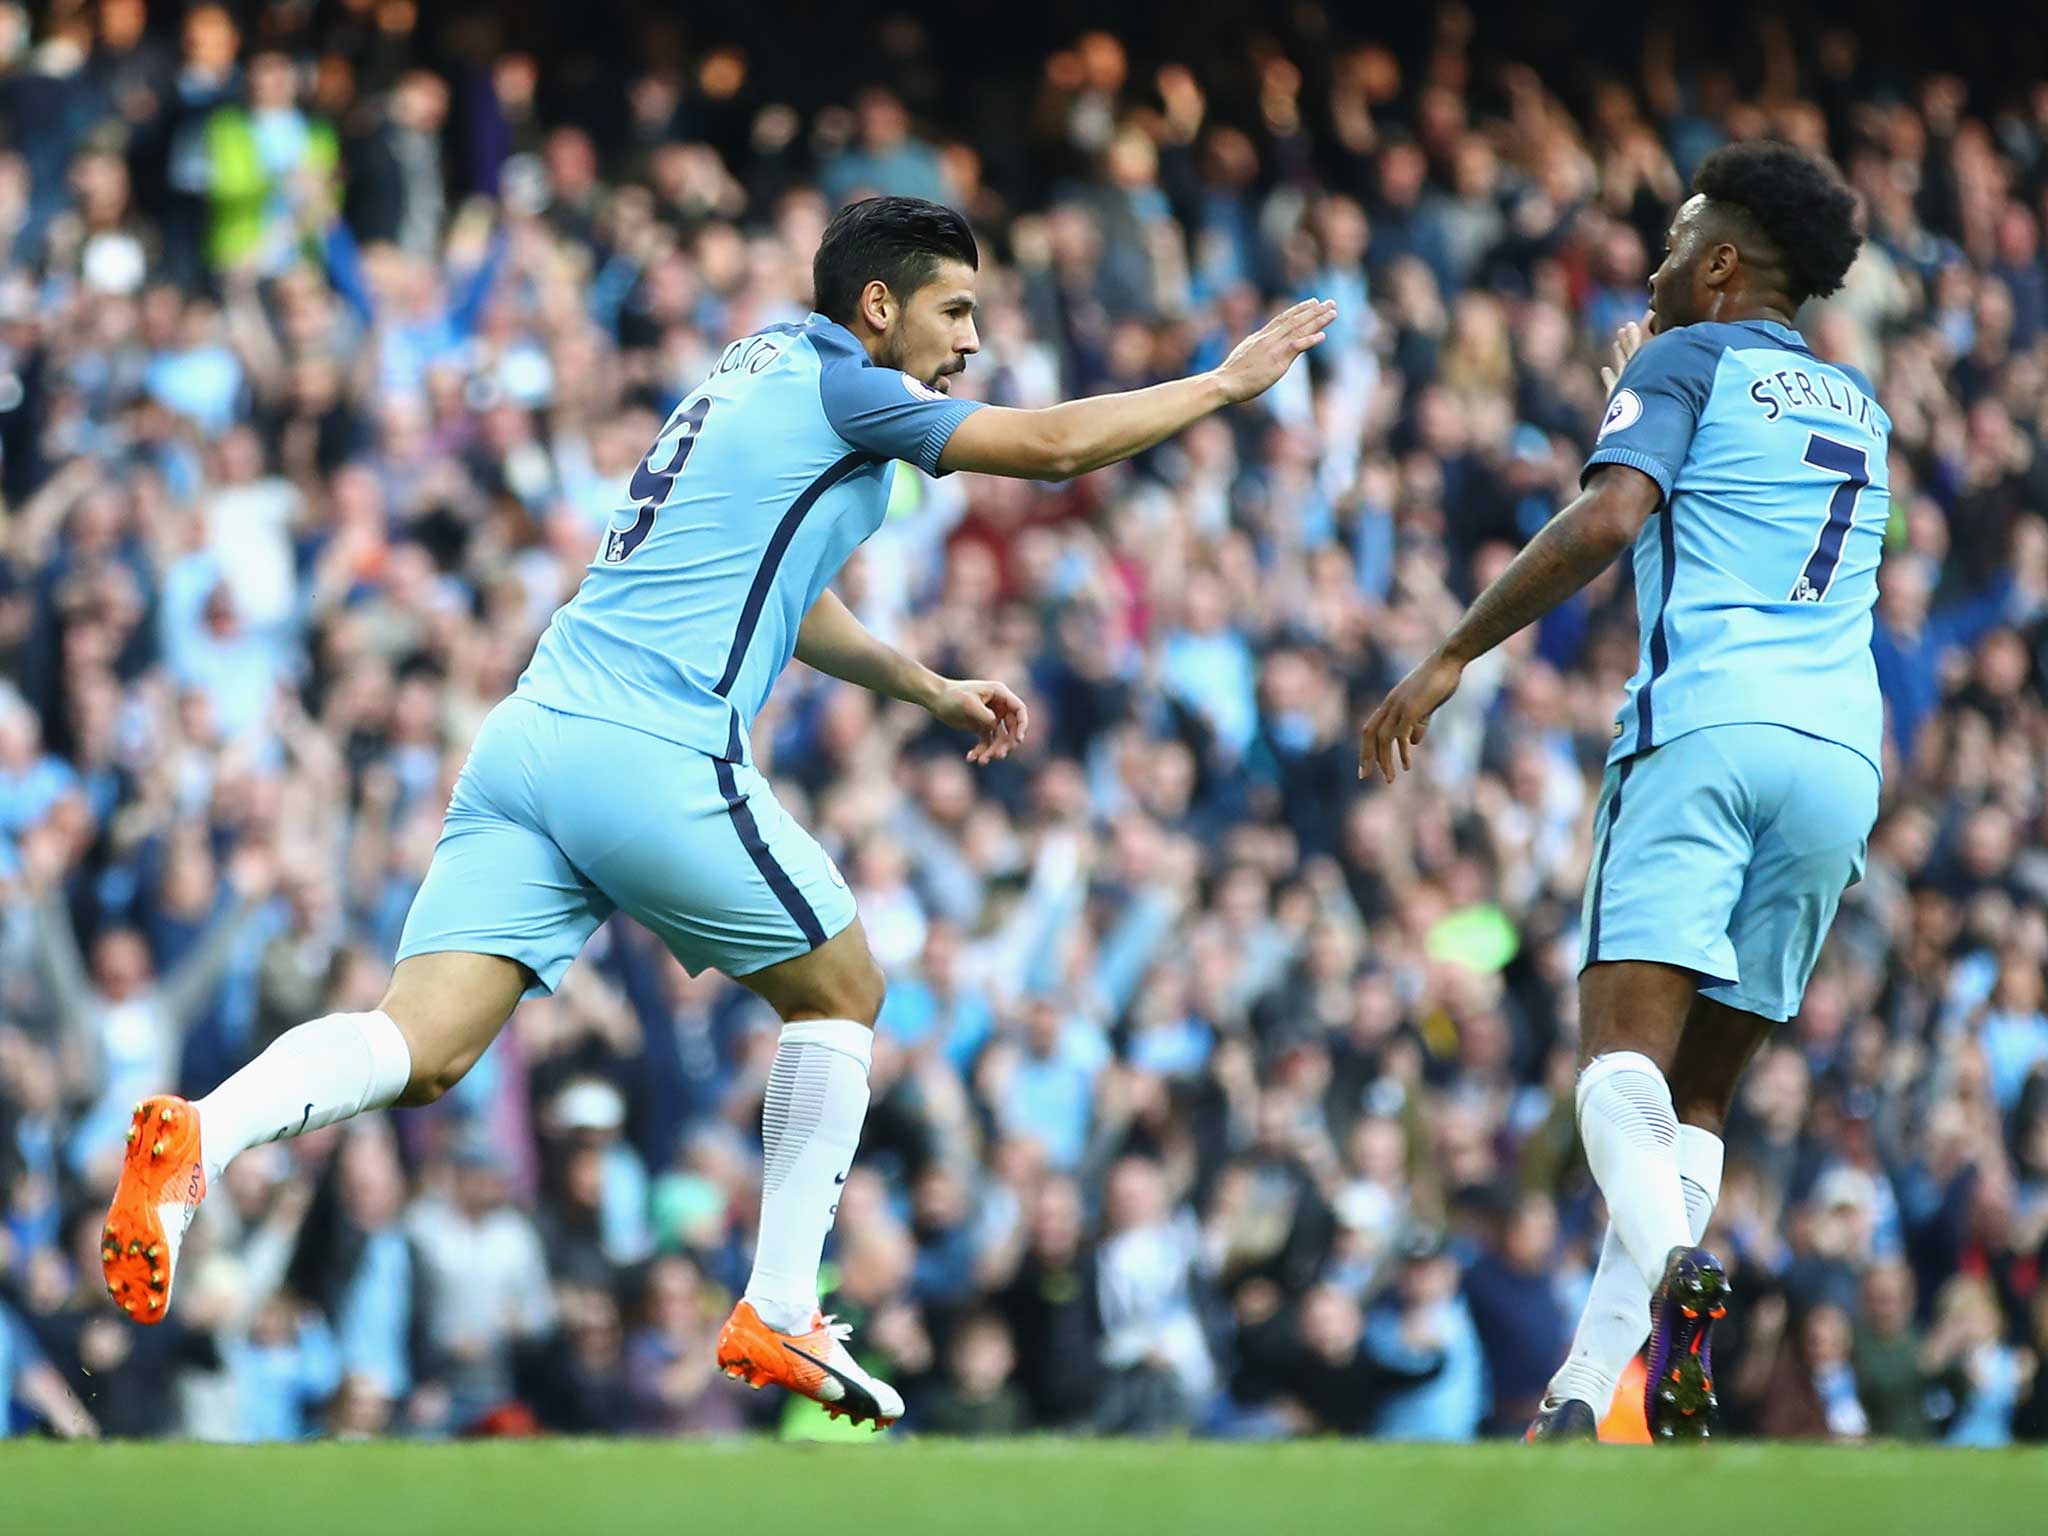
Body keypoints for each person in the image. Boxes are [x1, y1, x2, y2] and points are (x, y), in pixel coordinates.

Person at [100, 193, 1334, 1430]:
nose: (969, 342)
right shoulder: (855, 387)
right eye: (955, 312)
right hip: (649, 745)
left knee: (421, 1049)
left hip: (533, 738)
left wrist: (922, 684)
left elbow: (782, 589)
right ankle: (782, 1303)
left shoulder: (757, 365)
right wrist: (1222, 386)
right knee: (843, 991)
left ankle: (199, 1136)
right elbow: (1054, 447)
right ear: (878, 306)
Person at [1360, 141, 1880, 1442]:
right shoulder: (1860, 405)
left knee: (1613, 1067)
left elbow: (1607, 522)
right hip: (1840, 764)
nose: (1651, 261)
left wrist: (1451, 653)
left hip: (1704, 732)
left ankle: (1672, 1278)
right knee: (1693, 1101)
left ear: (1717, 265)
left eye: (1672, 238)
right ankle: (1588, 1395)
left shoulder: (1683, 356)